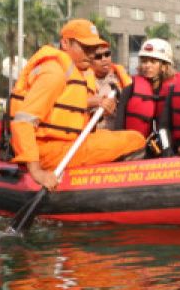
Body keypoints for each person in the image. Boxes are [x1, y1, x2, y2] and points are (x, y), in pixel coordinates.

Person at [8, 19, 147, 189]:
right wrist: (37, 172)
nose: (91, 54)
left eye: (93, 49)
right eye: (85, 48)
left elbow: (64, 115)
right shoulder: (54, 73)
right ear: (65, 43)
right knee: (136, 140)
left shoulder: (72, 70)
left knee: (128, 136)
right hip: (48, 151)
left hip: (63, 143)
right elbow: (23, 122)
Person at [111, 38, 174, 154]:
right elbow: (119, 125)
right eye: (144, 61)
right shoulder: (130, 89)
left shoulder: (172, 91)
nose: (147, 66)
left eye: (153, 62)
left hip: (166, 148)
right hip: (134, 149)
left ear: (164, 66)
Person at [85, 42, 131, 121]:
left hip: (117, 130)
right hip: (91, 129)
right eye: (98, 57)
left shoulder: (120, 78)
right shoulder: (81, 80)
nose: (104, 59)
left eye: (107, 54)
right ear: (90, 60)